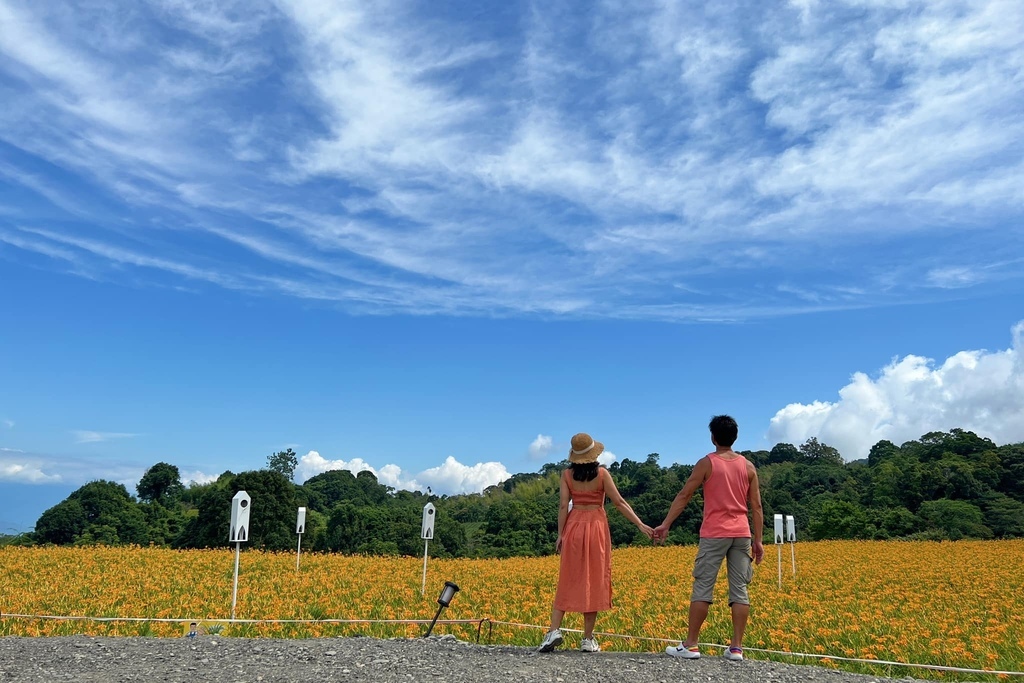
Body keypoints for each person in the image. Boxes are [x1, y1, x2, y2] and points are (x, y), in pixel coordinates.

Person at [654, 415, 764, 661]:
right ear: (735, 437)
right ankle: (736, 648)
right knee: (740, 590)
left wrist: (666, 524)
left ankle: (691, 644)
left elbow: (684, 495)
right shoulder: (748, 466)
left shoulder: (706, 463)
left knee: (703, 586)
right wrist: (758, 540)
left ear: (713, 437)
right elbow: (756, 506)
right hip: (742, 533)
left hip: (714, 533)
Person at [538, 433, 654, 653]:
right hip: (597, 528)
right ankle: (587, 639)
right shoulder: (602, 474)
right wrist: (640, 524)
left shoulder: (566, 475)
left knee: (567, 577)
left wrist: (561, 534)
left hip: (573, 527)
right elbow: (619, 502)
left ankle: (554, 631)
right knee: (593, 578)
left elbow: (564, 506)